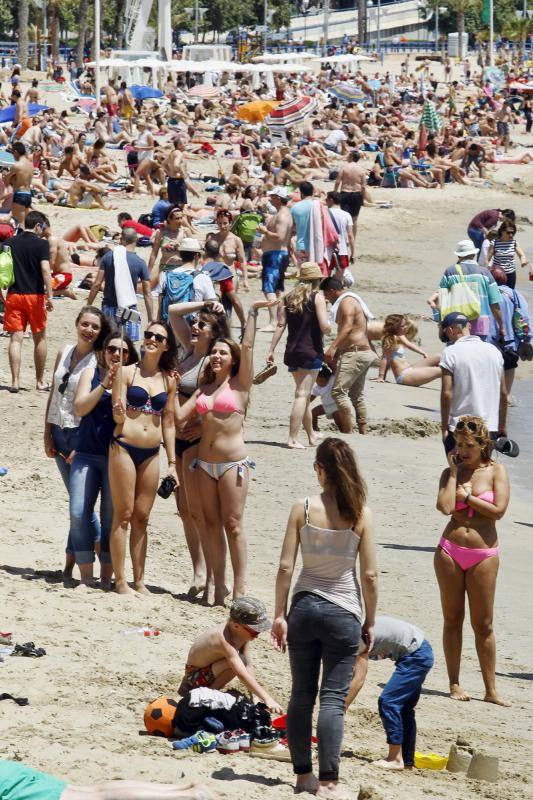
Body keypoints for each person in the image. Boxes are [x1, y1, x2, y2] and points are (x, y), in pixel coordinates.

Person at [271, 438, 378, 799]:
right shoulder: (360, 513)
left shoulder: (302, 508)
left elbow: (286, 566)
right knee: (332, 699)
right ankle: (329, 782)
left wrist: (279, 615)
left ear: (320, 469)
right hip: (343, 610)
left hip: (303, 607)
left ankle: (303, 777)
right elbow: (370, 576)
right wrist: (370, 621)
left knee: (301, 693)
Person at [174, 299, 277, 606]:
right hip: (203, 463)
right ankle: (217, 587)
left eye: (222, 353)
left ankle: (239, 588)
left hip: (233, 464)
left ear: (232, 360)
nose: (217, 357)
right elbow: (179, 418)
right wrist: (169, 388)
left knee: (233, 524)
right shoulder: (203, 390)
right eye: (214, 353)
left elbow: (246, 346)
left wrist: (253, 312)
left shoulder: (241, 385)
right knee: (207, 523)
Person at [435, 415, 510, 706]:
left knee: (484, 623)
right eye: (458, 444)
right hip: (450, 549)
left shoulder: (496, 471)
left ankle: (490, 689)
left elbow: (499, 510)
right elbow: (443, 507)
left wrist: (469, 498)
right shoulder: (450, 472)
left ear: (483, 444)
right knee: (452, 619)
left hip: (483, 554)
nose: (463, 450)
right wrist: (454, 474)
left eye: (469, 445)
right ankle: (454, 683)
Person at [44, 306, 111, 584]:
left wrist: (81, 444)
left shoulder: (98, 360)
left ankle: (77, 562)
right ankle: (81, 558)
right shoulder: (65, 351)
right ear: (76, 324)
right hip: (58, 431)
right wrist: (46, 432)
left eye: (94, 327)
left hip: (79, 437)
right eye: (85, 324)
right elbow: (53, 394)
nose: (89, 330)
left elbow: (91, 407)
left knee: (79, 506)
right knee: (77, 504)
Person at [110, 321, 177, 596]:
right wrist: (118, 411)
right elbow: (118, 415)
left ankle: (139, 581)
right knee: (123, 515)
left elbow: (169, 422)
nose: (151, 339)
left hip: (152, 452)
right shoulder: (125, 372)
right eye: (148, 334)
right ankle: (120, 581)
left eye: (158, 337)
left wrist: (172, 463)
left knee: (142, 517)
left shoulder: (168, 379)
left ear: (166, 345)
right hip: (124, 446)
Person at [168, 299, 230, 599]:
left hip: (194, 438)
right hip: (175, 439)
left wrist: (204, 427)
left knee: (199, 511)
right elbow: (172, 312)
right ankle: (199, 570)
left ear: (214, 333)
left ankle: (211, 575)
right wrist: (205, 304)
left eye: (201, 325)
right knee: (183, 509)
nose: (194, 327)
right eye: (194, 324)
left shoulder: (214, 361)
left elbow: (224, 402)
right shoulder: (190, 352)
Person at [72, 331, 138, 589]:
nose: (116, 355)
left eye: (122, 351)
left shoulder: (133, 379)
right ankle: (86, 577)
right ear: (103, 352)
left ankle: (107, 577)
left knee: (111, 516)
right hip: (86, 453)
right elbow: (79, 408)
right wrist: (104, 385)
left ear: (130, 356)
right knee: (78, 512)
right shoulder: (92, 373)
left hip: (117, 455)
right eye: (111, 349)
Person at [345, 616, 434, 770]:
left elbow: (359, 678)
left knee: (388, 702)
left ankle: (395, 759)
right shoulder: (353, 627)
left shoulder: (357, 636)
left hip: (416, 656)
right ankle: (407, 761)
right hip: (420, 649)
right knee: (405, 709)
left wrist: (342, 706)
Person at [178, 596, 282, 713]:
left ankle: (212, 691)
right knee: (234, 663)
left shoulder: (239, 633)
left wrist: (256, 697)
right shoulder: (223, 639)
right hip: (192, 680)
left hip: (207, 673)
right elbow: (241, 674)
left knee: (241, 660)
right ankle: (208, 694)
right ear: (236, 625)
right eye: (254, 631)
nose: (257, 635)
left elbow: (248, 665)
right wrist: (267, 698)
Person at [267, 263, 331, 449]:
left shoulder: (288, 298)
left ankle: (311, 436)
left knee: (302, 395)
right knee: (302, 395)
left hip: (292, 351)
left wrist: (271, 349)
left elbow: (280, 325)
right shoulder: (316, 297)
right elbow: (324, 326)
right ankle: (292, 438)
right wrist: (330, 326)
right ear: (317, 280)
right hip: (310, 351)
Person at [439, 312, 507, 455]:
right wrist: (502, 424)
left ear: (451, 330)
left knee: (456, 473)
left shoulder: (450, 352)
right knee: (482, 473)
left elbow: (447, 393)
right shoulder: (494, 351)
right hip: (489, 427)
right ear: (468, 326)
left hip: (460, 426)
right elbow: (503, 394)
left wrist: (444, 427)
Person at [2, 210, 53, 392]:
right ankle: (39, 381)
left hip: (14, 295)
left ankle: (15, 382)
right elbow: (45, 270)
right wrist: (50, 295)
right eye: (43, 227)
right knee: (40, 338)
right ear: (38, 225)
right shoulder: (42, 245)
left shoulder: (9, 243)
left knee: (15, 339)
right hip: (36, 296)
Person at [0, 760, 218, 800]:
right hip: (8, 770)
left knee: (91, 798)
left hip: (7, 787)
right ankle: (182, 790)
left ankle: (188, 797)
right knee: (91, 792)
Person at [320, 277, 374, 434]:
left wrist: (332, 347)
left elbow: (348, 327)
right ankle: (363, 430)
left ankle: (348, 430)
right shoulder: (349, 300)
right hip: (362, 352)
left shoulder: (347, 301)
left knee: (338, 392)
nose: (326, 299)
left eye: (326, 294)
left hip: (356, 353)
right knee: (356, 395)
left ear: (332, 291)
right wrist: (336, 355)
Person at [87, 229, 153, 342]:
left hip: (109, 307)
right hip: (129, 309)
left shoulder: (108, 257)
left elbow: (97, 284)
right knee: (129, 345)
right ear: (136, 240)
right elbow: (147, 293)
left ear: (121, 240)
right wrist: (151, 319)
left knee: (109, 343)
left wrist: (88, 305)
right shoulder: (140, 262)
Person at [438, 239, 504, 341]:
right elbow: (494, 303)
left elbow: (442, 300)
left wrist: (441, 325)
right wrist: (501, 325)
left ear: (459, 256)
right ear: (474, 254)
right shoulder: (485, 273)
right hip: (481, 324)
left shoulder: (450, 272)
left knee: (457, 354)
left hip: (456, 325)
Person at [256, 186, 292, 332]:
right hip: (277, 254)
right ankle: (280, 319)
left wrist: (265, 231)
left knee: (269, 287)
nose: (270, 199)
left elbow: (280, 237)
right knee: (278, 289)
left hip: (275, 255)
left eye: (272, 196)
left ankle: (273, 322)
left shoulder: (282, 215)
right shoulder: (282, 213)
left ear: (278, 198)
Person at [207, 209, 248, 334]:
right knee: (216, 304)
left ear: (230, 223)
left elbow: (242, 261)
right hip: (215, 275)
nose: (222, 226)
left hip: (230, 275)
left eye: (225, 223)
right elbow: (206, 256)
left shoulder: (236, 240)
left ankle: (243, 322)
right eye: (220, 223)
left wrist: (245, 279)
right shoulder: (212, 238)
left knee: (231, 302)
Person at [373, 314, 441, 387]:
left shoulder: (399, 336)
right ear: (395, 327)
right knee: (443, 370)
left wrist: (423, 353)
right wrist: (381, 376)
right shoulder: (390, 340)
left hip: (410, 370)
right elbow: (385, 358)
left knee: (439, 356)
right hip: (404, 377)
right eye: (402, 326)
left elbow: (409, 344)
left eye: (405, 325)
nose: (405, 327)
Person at [334, 150, 366, 246]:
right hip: (356, 194)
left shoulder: (344, 168)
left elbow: (337, 182)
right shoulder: (361, 170)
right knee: (354, 219)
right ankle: (353, 240)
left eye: (348, 156)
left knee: (345, 218)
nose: (347, 157)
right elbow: (363, 186)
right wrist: (363, 197)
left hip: (345, 193)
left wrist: (335, 193)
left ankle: (345, 239)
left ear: (352, 157)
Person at [487, 220, 529, 290]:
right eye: (508, 232)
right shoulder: (494, 243)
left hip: (511, 274)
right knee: (498, 294)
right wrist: (486, 270)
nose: (511, 235)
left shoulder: (514, 243)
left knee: (510, 294)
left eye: (512, 233)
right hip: (498, 274)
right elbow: (487, 259)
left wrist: (523, 261)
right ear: (502, 231)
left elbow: (521, 255)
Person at [5, 140, 33, 226]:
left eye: (12, 153)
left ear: (16, 152)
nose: (13, 156)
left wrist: (8, 177)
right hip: (28, 194)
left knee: (19, 223)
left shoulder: (17, 165)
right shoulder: (30, 164)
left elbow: (6, 181)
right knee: (25, 222)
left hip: (19, 195)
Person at [291, 181, 314, 268]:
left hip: (302, 244)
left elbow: (291, 227)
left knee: (303, 272)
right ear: (312, 192)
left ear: (302, 193)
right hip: (316, 244)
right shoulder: (318, 206)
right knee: (316, 272)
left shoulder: (295, 208)